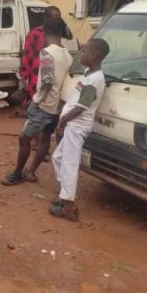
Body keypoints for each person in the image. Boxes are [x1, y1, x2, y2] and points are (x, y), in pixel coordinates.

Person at [1, 19, 73, 186]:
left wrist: (37, 99)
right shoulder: (67, 55)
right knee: (45, 139)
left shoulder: (47, 53)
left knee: (24, 138)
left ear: (44, 33)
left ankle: (18, 173)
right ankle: (31, 171)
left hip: (44, 106)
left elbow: (46, 80)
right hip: (56, 107)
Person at [49, 38, 110, 222]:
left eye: (85, 52)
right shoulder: (88, 74)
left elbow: (82, 106)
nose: (81, 55)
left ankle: (69, 205)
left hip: (77, 126)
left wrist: (63, 121)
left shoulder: (95, 80)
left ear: (96, 56)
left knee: (69, 162)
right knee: (58, 158)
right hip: (72, 124)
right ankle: (65, 193)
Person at [19, 6, 61, 108]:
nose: (57, 21)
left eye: (58, 18)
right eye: (54, 18)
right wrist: (23, 78)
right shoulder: (34, 34)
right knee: (35, 108)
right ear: (46, 18)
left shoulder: (58, 34)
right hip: (36, 77)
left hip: (53, 78)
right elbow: (27, 57)